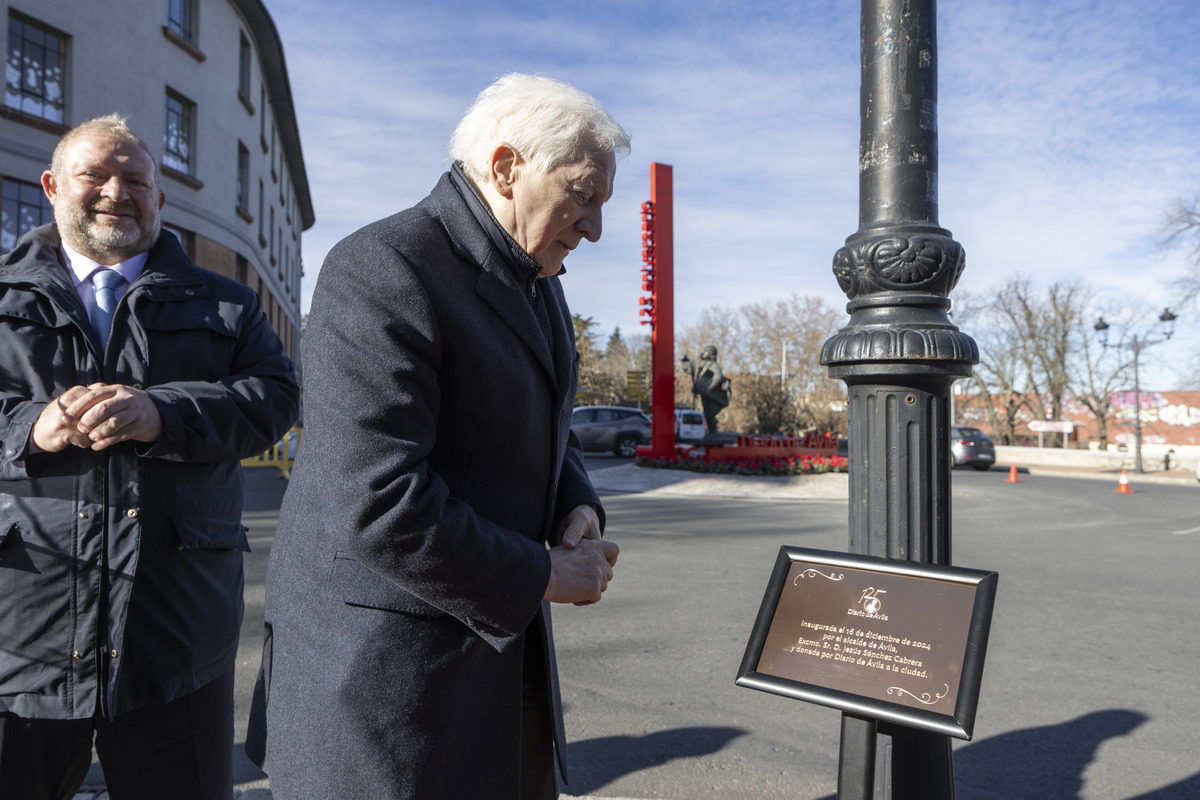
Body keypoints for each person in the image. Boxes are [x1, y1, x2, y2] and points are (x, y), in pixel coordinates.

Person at [248, 74, 626, 800]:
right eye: (583, 194)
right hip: (384, 697)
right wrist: (542, 573)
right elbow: (377, 500)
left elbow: (550, 424)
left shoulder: (540, 280)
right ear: (508, 166)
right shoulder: (383, 267)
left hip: (489, 680)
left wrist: (577, 506)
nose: (595, 227)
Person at [0, 115, 300, 800]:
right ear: (51, 186)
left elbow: (276, 398)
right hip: (20, 635)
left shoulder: (229, 305)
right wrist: (28, 426)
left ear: (159, 200)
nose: (117, 192)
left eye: (136, 180)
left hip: (175, 637)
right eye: (96, 176)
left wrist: (162, 412)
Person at [691, 344, 730, 435]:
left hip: (711, 395)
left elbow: (718, 377)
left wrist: (709, 389)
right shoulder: (704, 364)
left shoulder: (714, 365)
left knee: (710, 413)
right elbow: (693, 367)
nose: (704, 353)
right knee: (707, 413)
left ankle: (713, 432)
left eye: (706, 351)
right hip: (704, 393)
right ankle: (711, 432)